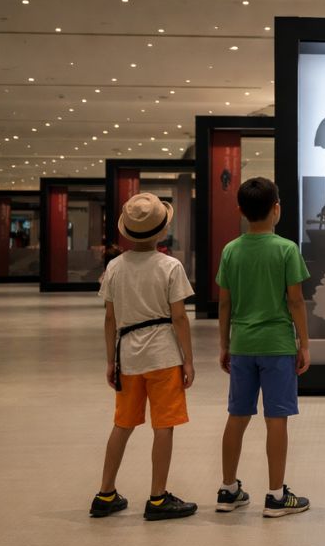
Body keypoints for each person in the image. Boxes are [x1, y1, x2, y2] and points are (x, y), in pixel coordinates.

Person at [90, 192, 197, 521]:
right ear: (161, 231)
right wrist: (188, 360)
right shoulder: (170, 266)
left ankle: (105, 492)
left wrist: (111, 361)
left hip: (129, 357)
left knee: (122, 424)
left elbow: (110, 319)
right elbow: (179, 317)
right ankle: (158, 497)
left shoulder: (114, 267)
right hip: (163, 356)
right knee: (163, 425)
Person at [216, 177, 312, 517]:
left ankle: (228, 490)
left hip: (242, 344)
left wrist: (224, 344)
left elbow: (224, 304)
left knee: (237, 416)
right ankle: (275, 496)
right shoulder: (286, 250)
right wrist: (304, 343)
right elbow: (296, 301)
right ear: (277, 209)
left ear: (241, 211)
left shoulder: (231, 250)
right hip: (277, 345)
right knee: (277, 418)